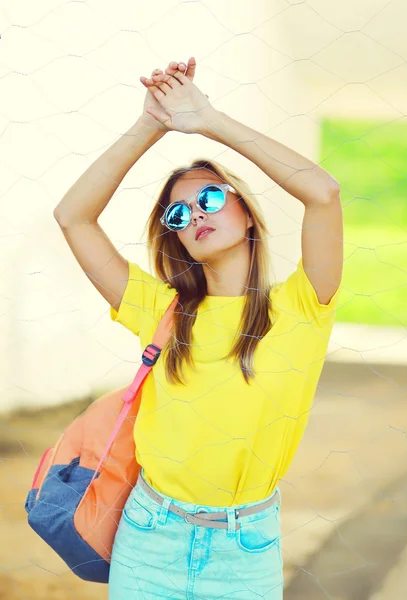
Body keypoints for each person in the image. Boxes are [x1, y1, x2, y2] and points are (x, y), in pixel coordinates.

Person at [54, 56, 343, 599]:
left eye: (209, 196)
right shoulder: (159, 309)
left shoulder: (304, 306)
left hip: (246, 550)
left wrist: (207, 119)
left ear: (245, 210)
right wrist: (150, 123)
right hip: (148, 536)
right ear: (177, 239)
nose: (195, 215)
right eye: (178, 215)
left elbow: (323, 192)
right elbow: (73, 216)